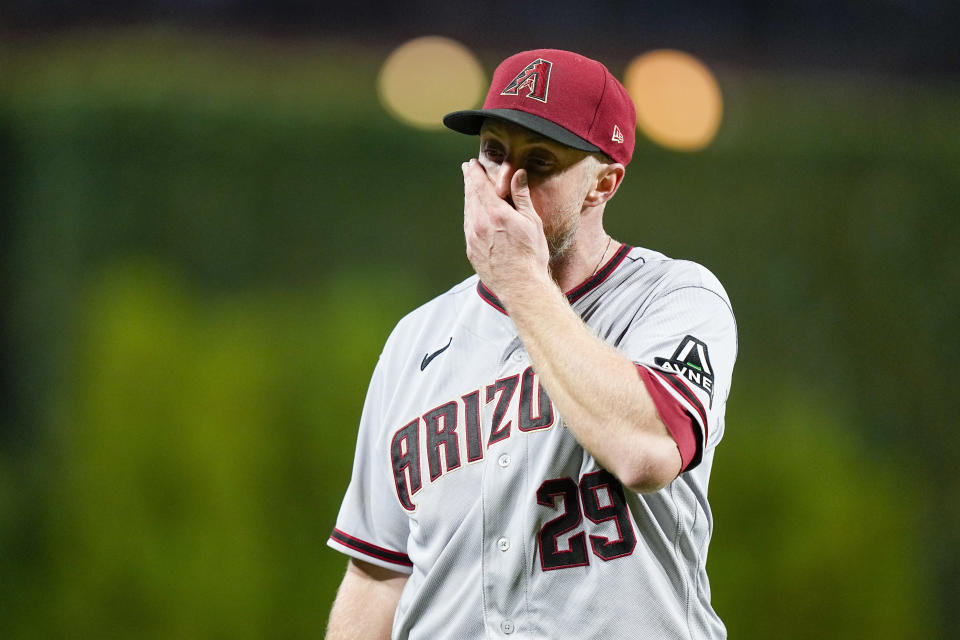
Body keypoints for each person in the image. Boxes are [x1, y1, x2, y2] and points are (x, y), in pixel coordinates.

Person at [325, 49, 737, 639]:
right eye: (493, 151)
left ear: (603, 182)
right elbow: (377, 573)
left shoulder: (671, 298)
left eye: (539, 162)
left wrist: (520, 278)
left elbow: (645, 453)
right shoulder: (416, 339)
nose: (503, 183)